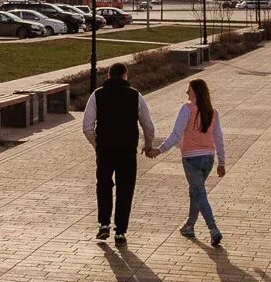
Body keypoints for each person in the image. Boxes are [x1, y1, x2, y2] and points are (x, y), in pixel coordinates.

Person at [81, 61, 155, 245]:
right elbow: (148, 126)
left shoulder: (97, 95)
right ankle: (120, 232)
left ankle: (103, 224)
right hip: (127, 150)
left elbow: (87, 126)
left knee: (104, 186)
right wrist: (148, 145)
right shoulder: (135, 95)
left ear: (108, 76)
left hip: (105, 150)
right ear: (125, 76)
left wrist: (96, 143)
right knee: (125, 189)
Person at [148, 77, 226, 245]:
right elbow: (218, 138)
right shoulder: (213, 112)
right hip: (208, 159)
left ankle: (213, 229)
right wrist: (221, 162)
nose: (186, 93)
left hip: (192, 158)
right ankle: (189, 226)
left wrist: (159, 150)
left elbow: (176, 134)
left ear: (196, 92)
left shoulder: (187, 109)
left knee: (199, 193)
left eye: (189, 90)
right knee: (195, 192)